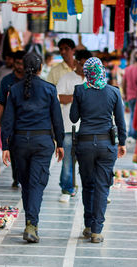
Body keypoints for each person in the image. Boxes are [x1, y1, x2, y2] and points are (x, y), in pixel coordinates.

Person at [1, 52, 65, 243]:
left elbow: (8, 119)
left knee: (26, 183)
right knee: (36, 183)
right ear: (40, 68)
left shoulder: (14, 89)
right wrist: (60, 143)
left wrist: (5, 144)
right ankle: (31, 224)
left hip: (19, 143)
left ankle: (30, 222)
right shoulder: (49, 89)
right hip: (42, 143)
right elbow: (57, 119)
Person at [70, 57, 127, 243]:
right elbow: (120, 121)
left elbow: (73, 118)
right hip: (106, 145)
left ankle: (87, 224)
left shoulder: (80, 90)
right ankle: (96, 230)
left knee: (88, 185)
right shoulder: (113, 92)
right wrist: (122, 143)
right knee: (103, 186)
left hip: (85, 144)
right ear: (102, 70)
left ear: (86, 73)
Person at [56, 49, 92, 203]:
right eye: (81, 63)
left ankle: (90, 188)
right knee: (68, 160)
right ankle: (67, 188)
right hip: (68, 126)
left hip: (87, 127)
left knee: (88, 160)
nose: (83, 67)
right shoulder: (67, 78)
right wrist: (76, 96)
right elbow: (57, 98)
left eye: (86, 64)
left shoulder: (93, 80)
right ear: (76, 62)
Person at [0, 50, 27, 188]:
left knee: (25, 151)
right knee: (13, 150)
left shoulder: (30, 80)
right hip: (11, 121)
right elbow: (1, 102)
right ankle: (17, 177)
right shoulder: (7, 80)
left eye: (22, 63)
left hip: (27, 121)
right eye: (17, 63)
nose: (19, 66)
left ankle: (24, 175)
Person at [123, 50, 137, 142]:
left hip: (129, 95)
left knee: (132, 114)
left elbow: (124, 83)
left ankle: (132, 133)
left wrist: (124, 93)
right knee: (135, 115)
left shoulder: (128, 69)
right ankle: (133, 134)